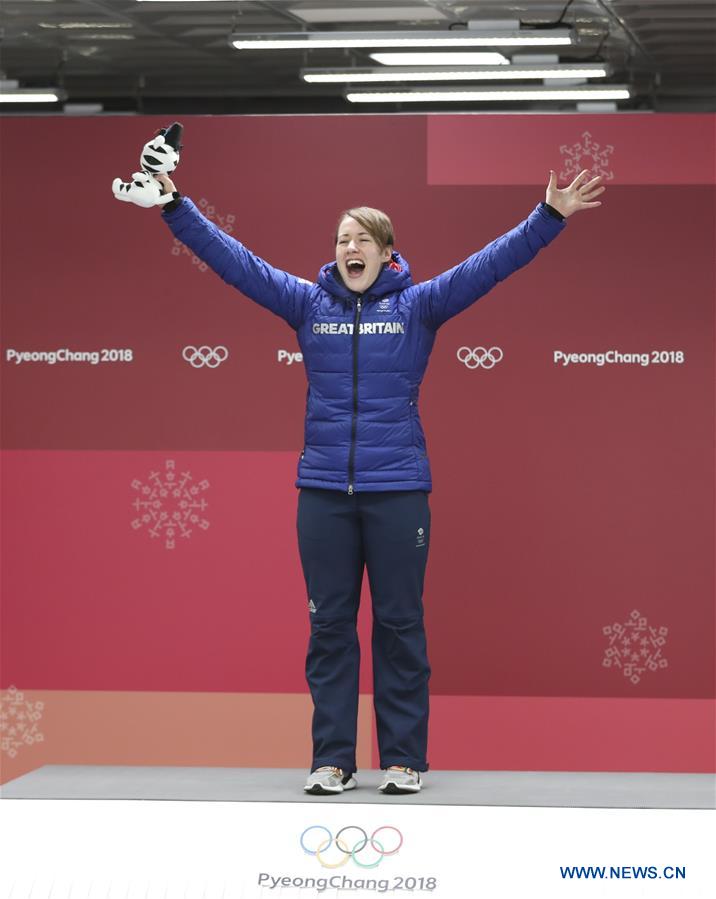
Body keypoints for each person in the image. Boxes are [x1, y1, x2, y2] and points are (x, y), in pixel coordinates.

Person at [147, 167, 604, 795]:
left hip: (398, 493)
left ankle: (404, 760)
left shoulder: (418, 305)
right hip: (325, 494)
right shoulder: (307, 303)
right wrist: (174, 206)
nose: (350, 249)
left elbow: (490, 266)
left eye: (363, 240)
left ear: (387, 253)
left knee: (398, 626)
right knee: (329, 628)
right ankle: (332, 760)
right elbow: (236, 263)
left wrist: (547, 217)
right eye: (342, 240)